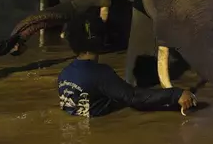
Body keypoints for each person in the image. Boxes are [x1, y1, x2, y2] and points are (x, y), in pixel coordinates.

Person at [58, 10, 197, 117]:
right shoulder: (101, 73)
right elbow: (134, 98)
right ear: (101, 39)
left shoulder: (64, 75)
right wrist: (176, 94)